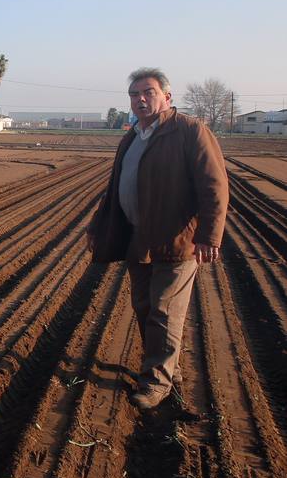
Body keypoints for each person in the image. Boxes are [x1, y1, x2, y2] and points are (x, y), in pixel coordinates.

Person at [87, 68, 228, 410]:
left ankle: (157, 383)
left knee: (164, 311)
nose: (140, 99)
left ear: (167, 96)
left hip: (179, 241)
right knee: (145, 307)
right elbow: (117, 186)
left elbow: (214, 186)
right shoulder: (133, 136)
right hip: (140, 239)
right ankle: (169, 368)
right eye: (134, 94)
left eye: (148, 92)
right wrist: (100, 227)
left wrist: (210, 235)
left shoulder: (189, 131)